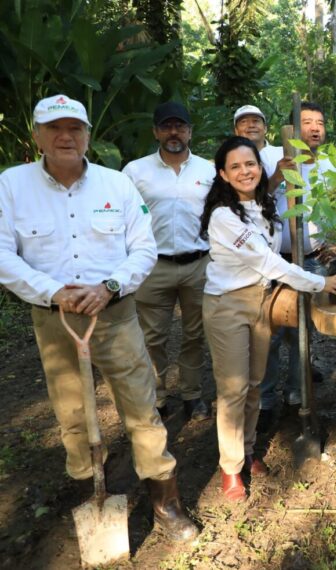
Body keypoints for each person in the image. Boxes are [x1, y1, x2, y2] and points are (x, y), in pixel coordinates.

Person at [0, 94, 197, 541]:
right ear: (37, 135)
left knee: (142, 407)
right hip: (54, 321)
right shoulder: (11, 185)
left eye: (75, 129)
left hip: (115, 315)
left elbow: (144, 248)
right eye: (54, 128)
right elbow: (2, 253)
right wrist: (54, 292)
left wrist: (107, 287)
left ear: (88, 135)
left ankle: (165, 501)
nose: (65, 137)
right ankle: (91, 487)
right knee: (71, 412)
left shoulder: (116, 184)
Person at [199, 136, 336, 501]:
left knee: (253, 381)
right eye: (234, 166)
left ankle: (247, 449)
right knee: (233, 388)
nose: (244, 171)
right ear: (223, 174)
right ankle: (230, 468)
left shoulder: (266, 206)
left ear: (259, 167)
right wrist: (319, 282)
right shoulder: (223, 216)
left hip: (262, 300)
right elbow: (267, 261)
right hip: (227, 305)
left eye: (249, 164)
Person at [122, 102, 213, 421]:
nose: (174, 132)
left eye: (180, 126)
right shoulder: (135, 171)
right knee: (152, 336)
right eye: (166, 126)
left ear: (190, 131)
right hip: (153, 265)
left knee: (195, 333)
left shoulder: (208, 170)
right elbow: (123, 218)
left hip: (198, 264)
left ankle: (192, 393)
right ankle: (157, 396)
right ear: (156, 132)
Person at [257, 101, 335, 431]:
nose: (314, 128)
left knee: (304, 331)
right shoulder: (274, 159)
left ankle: (295, 391)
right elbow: (257, 199)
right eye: (307, 122)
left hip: (314, 261)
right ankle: (264, 399)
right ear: (293, 128)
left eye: (319, 122)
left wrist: (334, 242)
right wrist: (277, 175)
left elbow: (335, 205)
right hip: (278, 262)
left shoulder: (330, 163)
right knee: (270, 332)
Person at [233, 104, 288, 191]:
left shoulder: (284, 153)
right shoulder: (230, 161)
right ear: (236, 131)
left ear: (265, 128)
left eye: (256, 121)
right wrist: (276, 178)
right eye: (244, 122)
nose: (251, 125)